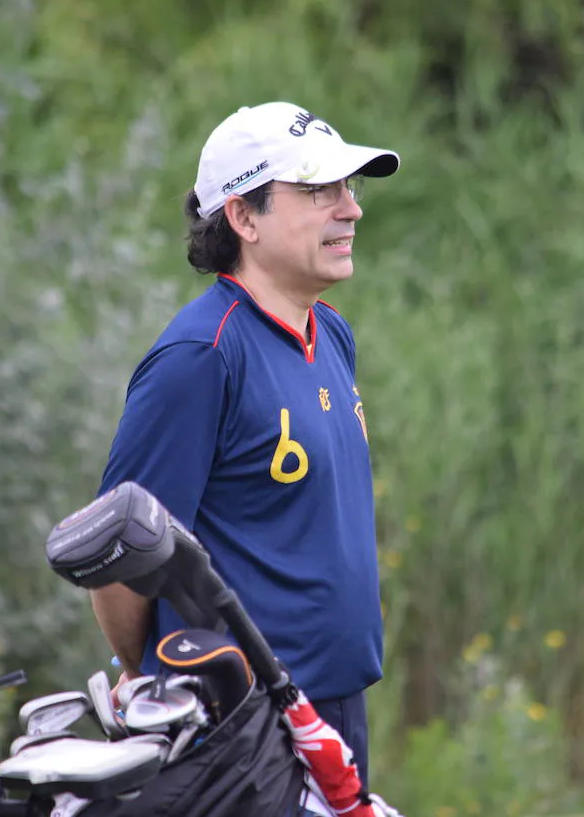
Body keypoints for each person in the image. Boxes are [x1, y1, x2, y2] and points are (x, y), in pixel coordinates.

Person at [91, 100, 400, 785]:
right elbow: (117, 558)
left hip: (337, 707)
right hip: (240, 726)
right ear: (243, 216)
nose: (350, 209)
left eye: (348, 189)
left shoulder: (332, 334)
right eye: (319, 190)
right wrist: (148, 677)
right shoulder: (201, 356)